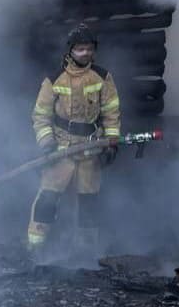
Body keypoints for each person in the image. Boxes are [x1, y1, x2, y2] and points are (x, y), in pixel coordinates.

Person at [28, 23, 121, 254]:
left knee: (88, 203)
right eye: (80, 49)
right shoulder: (54, 79)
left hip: (91, 149)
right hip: (61, 149)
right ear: (70, 51)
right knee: (48, 198)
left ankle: (85, 252)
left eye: (89, 48)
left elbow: (111, 113)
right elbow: (40, 115)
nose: (85, 53)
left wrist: (111, 143)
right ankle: (35, 246)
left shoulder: (102, 77)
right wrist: (47, 143)